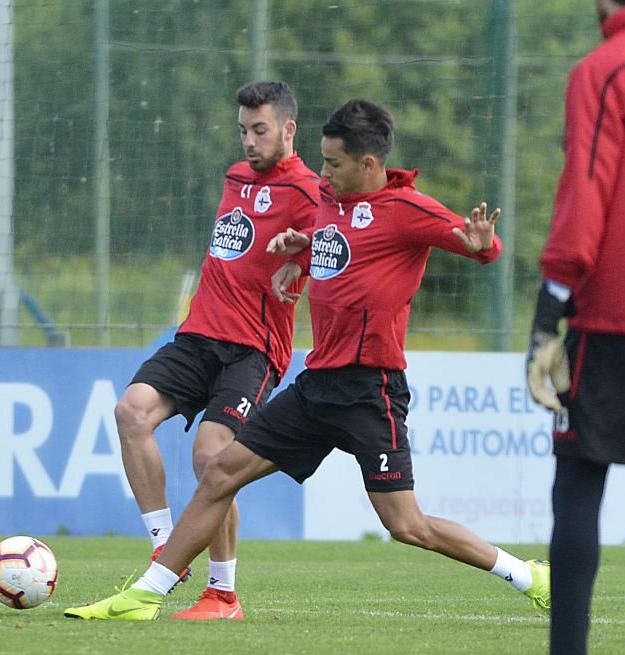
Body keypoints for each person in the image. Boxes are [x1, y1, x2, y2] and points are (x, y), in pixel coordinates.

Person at [65, 99, 551, 621]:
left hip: (371, 392)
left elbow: (478, 244)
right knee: (220, 471)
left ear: (369, 165)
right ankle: (148, 595)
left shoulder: (407, 209)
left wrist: (484, 245)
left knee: (407, 526)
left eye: (334, 164)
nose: (323, 173)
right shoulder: (329, 198)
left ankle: (527, 576)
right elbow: (344, 244)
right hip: (316, 384)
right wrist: (304, 247)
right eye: (321, 161)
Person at [112, 81, 319, 620]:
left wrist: (305, 258)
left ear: (288, 130)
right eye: (244, 131)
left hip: (254, 349)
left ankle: (222, 594)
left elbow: (344, 248)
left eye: (261, 130)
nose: (250, 141)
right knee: (131, 412)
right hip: (199, 333)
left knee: (211, 458)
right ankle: (166, 546)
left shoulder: (311, 192)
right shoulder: (235, 176)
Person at [524, 2, 625, 655]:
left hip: (619, 312)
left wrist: (549, 312)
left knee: (578, 479)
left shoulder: (605, 67)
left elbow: (588, 191)